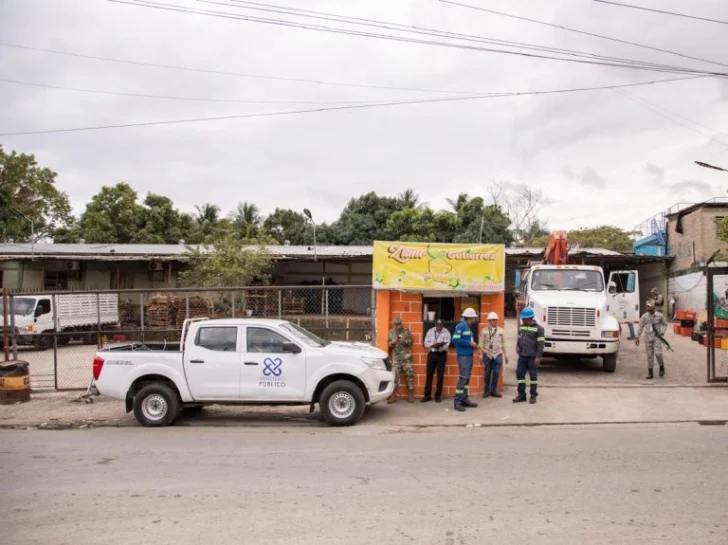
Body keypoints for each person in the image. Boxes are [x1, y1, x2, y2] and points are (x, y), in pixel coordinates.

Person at [513, 307, 544, 405]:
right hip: (522, 356)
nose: (522, 320)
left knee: (533, 377)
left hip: (533, 357)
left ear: (530, 318)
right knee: (520, 375)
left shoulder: (539, 329)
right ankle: (521, 395)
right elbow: (519, 337)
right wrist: (517, 345)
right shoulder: (522, 327)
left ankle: (533, 395)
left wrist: (538, 357)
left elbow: (541, 344)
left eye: (524, 319)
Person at [451, 307, 480, 412]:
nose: (475, 320)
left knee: (467, 379)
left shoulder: (467, 327)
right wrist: (469, 344)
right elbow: (455, 339)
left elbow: (466, 339)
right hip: (463, 356)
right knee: (463, 378)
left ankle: (464, 399)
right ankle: (457, 401)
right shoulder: (461, 326)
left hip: (468, 355)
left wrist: (473, 345)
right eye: (474, 318)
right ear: (469, 318)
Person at [635, 300, 668, 379]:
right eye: (648, 309)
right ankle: (650, 372)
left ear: (654, 308)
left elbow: (665, 324)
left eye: (651, 309)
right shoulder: (644, 316)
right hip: (648, 337)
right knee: (649, 356)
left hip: (657, 337)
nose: (649, 311)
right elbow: (640, 327)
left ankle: (661, 366)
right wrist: (637, 337)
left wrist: (662, 332)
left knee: (658, 353)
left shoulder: (660, 316)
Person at [421, 319, 451, 403]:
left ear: (443, 325)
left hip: (441, 355)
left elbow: (447, 344)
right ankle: (427, 396)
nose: (439, 327)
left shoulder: (446, 332)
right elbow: (426, 343)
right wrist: (433, 345)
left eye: (441, 325)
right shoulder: (430, 331)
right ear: (435, 325)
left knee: (440, 376)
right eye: (438, 325)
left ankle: (438, 395)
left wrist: (440, 346)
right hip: (432, 354)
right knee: (429, 374)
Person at [480, 311, 508, 398]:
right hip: (487, 354)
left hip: (498, 354)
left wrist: (506, 355)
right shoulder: (484, 331)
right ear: (489, 321)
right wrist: (481, 355)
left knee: (496, 373)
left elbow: (503, 343)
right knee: (487, 372)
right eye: (492, 320)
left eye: (495, 320)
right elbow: (481, 344)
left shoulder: (501, 330)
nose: (494, 321)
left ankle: (494, 390)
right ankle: (486, 390)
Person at [387, 317, 414, 403]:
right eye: (396, 325)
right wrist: (393, 342)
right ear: (394, 325)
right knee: (395, 377)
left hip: (406, 357)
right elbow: (388, 344)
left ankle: (410, 394)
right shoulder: (391, 332)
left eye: (399, 324)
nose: (398, 326)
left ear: (401, 324)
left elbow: (411, 342)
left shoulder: (406, 331)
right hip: (396, 358)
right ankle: (393, 395)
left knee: (409, 375)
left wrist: (404, 341)